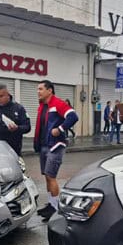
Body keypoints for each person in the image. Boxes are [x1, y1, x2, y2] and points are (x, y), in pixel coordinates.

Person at [34, 80, 78, 221]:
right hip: (44, 145)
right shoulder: (42, 106)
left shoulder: (57, 103)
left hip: (55, 146)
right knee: (47, 177)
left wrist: (59, 129)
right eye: (38, 89)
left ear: (49, 90)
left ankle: (55, 208)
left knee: (51, 176)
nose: (38, 91)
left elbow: (73, 116)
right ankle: (51, 205)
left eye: (41, 89)